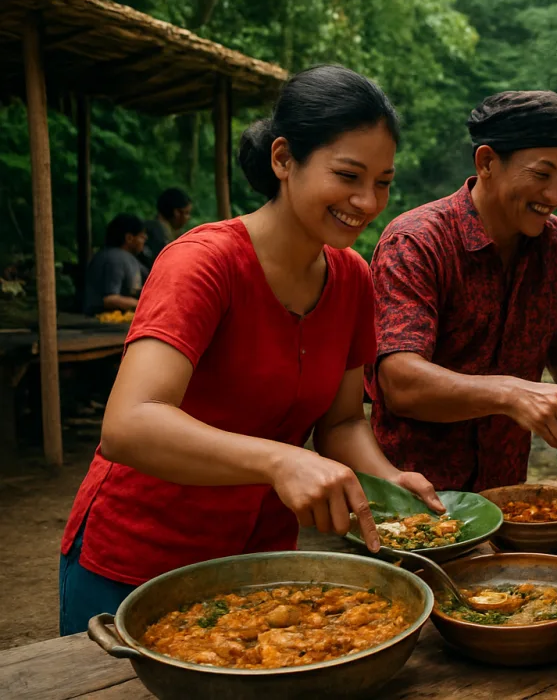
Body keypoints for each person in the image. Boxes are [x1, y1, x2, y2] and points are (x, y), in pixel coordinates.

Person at [59, 65, 441, 635]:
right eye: (348, 175)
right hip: (135, 563)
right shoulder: (202, 264)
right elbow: (128, 425)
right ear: (284, 159)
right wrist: (280, 459)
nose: (367, 201)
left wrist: (387, 480)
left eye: (383, 181)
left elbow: (339, 422)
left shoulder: (354, 277)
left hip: (259, 566)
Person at [367, 90, 557, 491]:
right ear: (488, 162)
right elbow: (400, 383)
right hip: (409, 494)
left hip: (508, 496)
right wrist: (509, 393)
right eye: (542, 175)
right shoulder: (416, 243)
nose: (555, 196)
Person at [83, 214, 149, 315]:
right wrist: (145, 306)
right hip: (100, 324)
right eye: (141, 237)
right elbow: (110, 299)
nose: (144, 241)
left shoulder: (129, 259)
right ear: (129, 238)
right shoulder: (115, 259)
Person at [142, 188, 193, 266]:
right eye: (187, 213)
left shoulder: (151, 228)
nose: (188, 217)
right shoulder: (158, 233)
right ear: (177, 212)